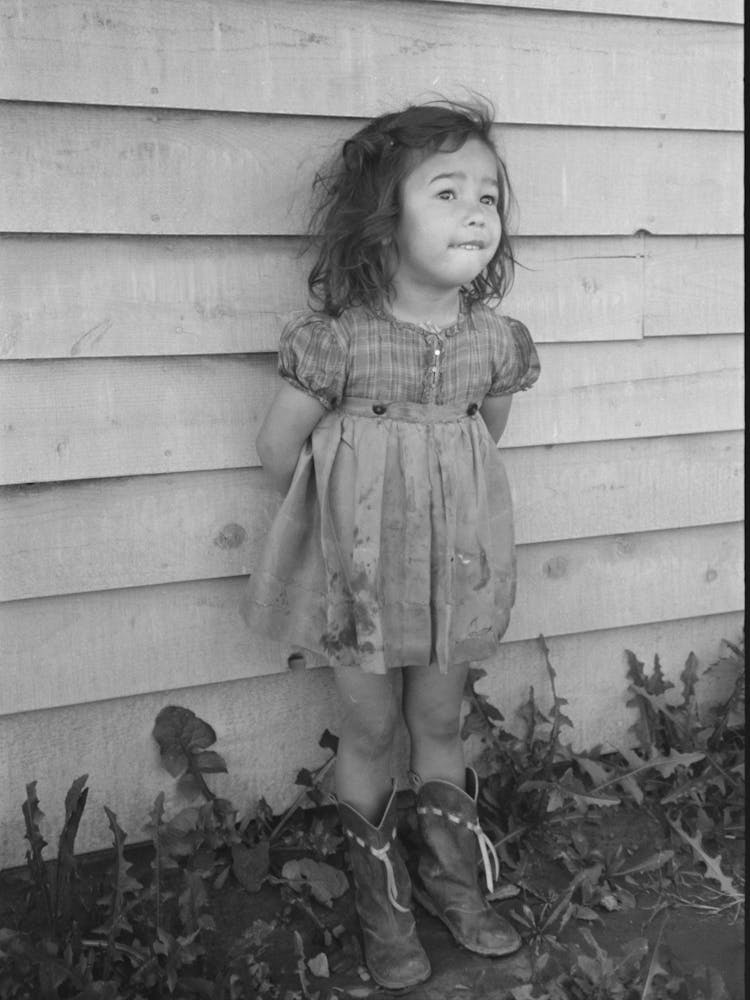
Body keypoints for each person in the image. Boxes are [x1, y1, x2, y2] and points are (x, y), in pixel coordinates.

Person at [243, 98, 540, 990]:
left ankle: (454, 883)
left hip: (453, 571)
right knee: (371, 728)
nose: (476, 212)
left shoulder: (495, 341)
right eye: (447, 192)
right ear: (383, 216)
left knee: (439, 720)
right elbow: (275, 452)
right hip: (360, 576)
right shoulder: (336, 341)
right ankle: (384, 905)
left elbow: (486, 435)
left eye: (488, 195)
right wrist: (351, 506)